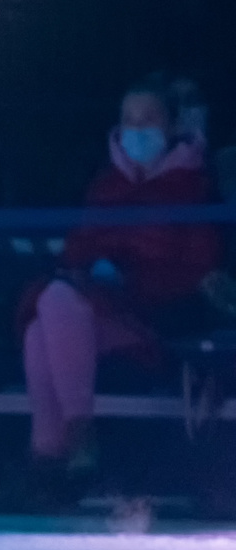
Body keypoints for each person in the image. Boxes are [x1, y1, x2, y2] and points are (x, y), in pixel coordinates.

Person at [19, 81, 220, 488]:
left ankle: (58, 450)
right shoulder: (106, 186)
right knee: (49, 312)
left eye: (149, 119)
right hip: (100, 310)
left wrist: (129, 277)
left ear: (172, 126)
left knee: (52, 309)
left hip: (158, 320)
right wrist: (90, 270)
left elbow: (200, 268)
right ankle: (61, 452)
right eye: (129, 120)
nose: (137, 129)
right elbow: (76, 249)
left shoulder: (196, 187)